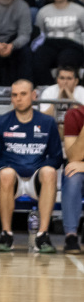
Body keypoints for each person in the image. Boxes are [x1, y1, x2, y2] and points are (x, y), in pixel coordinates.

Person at [0, 80, 62, 253]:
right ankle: (6, 235)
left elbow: (56, 158)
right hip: (12, 179)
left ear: (33, 95)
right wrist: (8, 168)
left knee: (50, 172)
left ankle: (42, 235)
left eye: (23, 94)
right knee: (5, 174)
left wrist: (38, 167)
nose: (18, 99)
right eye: (14, 95)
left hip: (36, 178)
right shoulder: (0, 122)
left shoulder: (47, 122)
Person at [33, 0, 84, 85]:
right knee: (38, 59)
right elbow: (40, 33)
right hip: (51, 44)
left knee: (66, 60)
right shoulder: (43, 11)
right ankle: (48, 89)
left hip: (73, 45)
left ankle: (68, 90)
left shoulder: (80, 10)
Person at [62, 100, 84, 251]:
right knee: (72, 175)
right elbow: (73, 157)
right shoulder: (74, 115)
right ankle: (71, 235)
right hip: (79, 168)